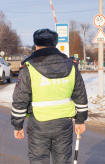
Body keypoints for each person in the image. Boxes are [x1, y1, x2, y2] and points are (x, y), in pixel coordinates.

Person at [11, 28, 88, 164]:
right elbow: (80, 94)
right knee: (63, 161)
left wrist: (18, 125)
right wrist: (80, 120)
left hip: (38, 123)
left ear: (36, 45)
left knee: (39, 160)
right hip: (64, 122)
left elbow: (20, 99)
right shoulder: (71, 65)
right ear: (55, 45)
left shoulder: (29, 68)